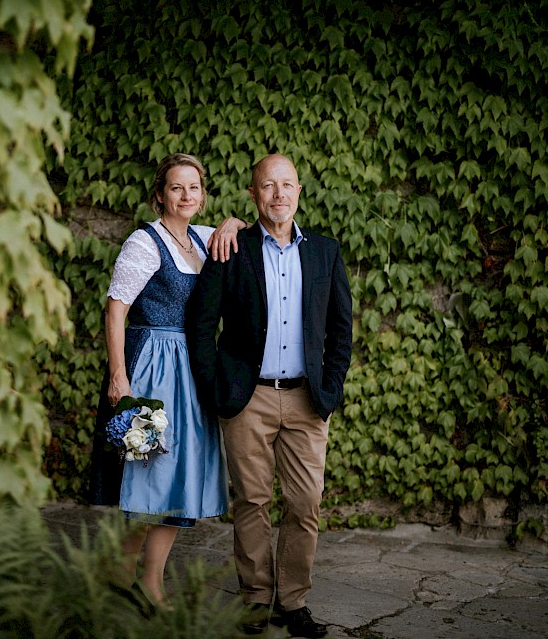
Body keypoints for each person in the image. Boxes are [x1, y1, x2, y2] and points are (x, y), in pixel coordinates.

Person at [186, 154, 353, 637]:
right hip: (248, 398)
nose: (278, 194)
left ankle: (294, 602)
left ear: (299, 190)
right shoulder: (230, 246)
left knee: (305, 503)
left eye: (286, 185)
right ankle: (256, 600)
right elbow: (202, 323)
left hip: (307, 400)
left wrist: (332, 387)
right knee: (252, 502)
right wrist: (213, 385)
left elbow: (341, 330)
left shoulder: (325, 251)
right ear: (253, 194)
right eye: (267, 186)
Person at [86, 153, 247, 607]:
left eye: (194, 187)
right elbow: (116, 307)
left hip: (192, 368)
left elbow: (241, 238)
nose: (186, 195)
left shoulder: (200, 237)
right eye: (177, 188)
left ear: (203, 193)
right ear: (160, 195)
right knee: (153, 474)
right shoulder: (145, 242)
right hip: (153, 365)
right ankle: (134, 572)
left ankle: (137, 572)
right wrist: (119, 376)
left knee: (183, 477)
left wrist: (233, 222)